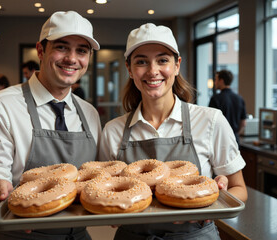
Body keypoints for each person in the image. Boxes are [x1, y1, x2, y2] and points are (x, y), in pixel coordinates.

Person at [99, 23, 247, 240]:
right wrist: (110, 212)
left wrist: (213, 203)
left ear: (177, 65)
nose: (152, 71)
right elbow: (104, 191)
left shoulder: (210, 120)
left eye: (162, 60)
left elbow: (239, 188)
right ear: (129, 69)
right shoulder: (113, 131)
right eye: (141, 62)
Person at [0, 11, 101, 240]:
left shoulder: (89, 113)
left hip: (78, 234)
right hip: (19, 232)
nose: (72, 58)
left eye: (81, 50)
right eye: (62, 47)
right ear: (41, 51)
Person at [208, 70, 247, 143]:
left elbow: (210, 121)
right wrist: (235, 133)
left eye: (216, 80)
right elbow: (243, 123)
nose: (215, 82)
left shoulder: (215, 99)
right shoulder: (239, 99)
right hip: (234, 139)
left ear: (221, 81)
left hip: (220, 139)